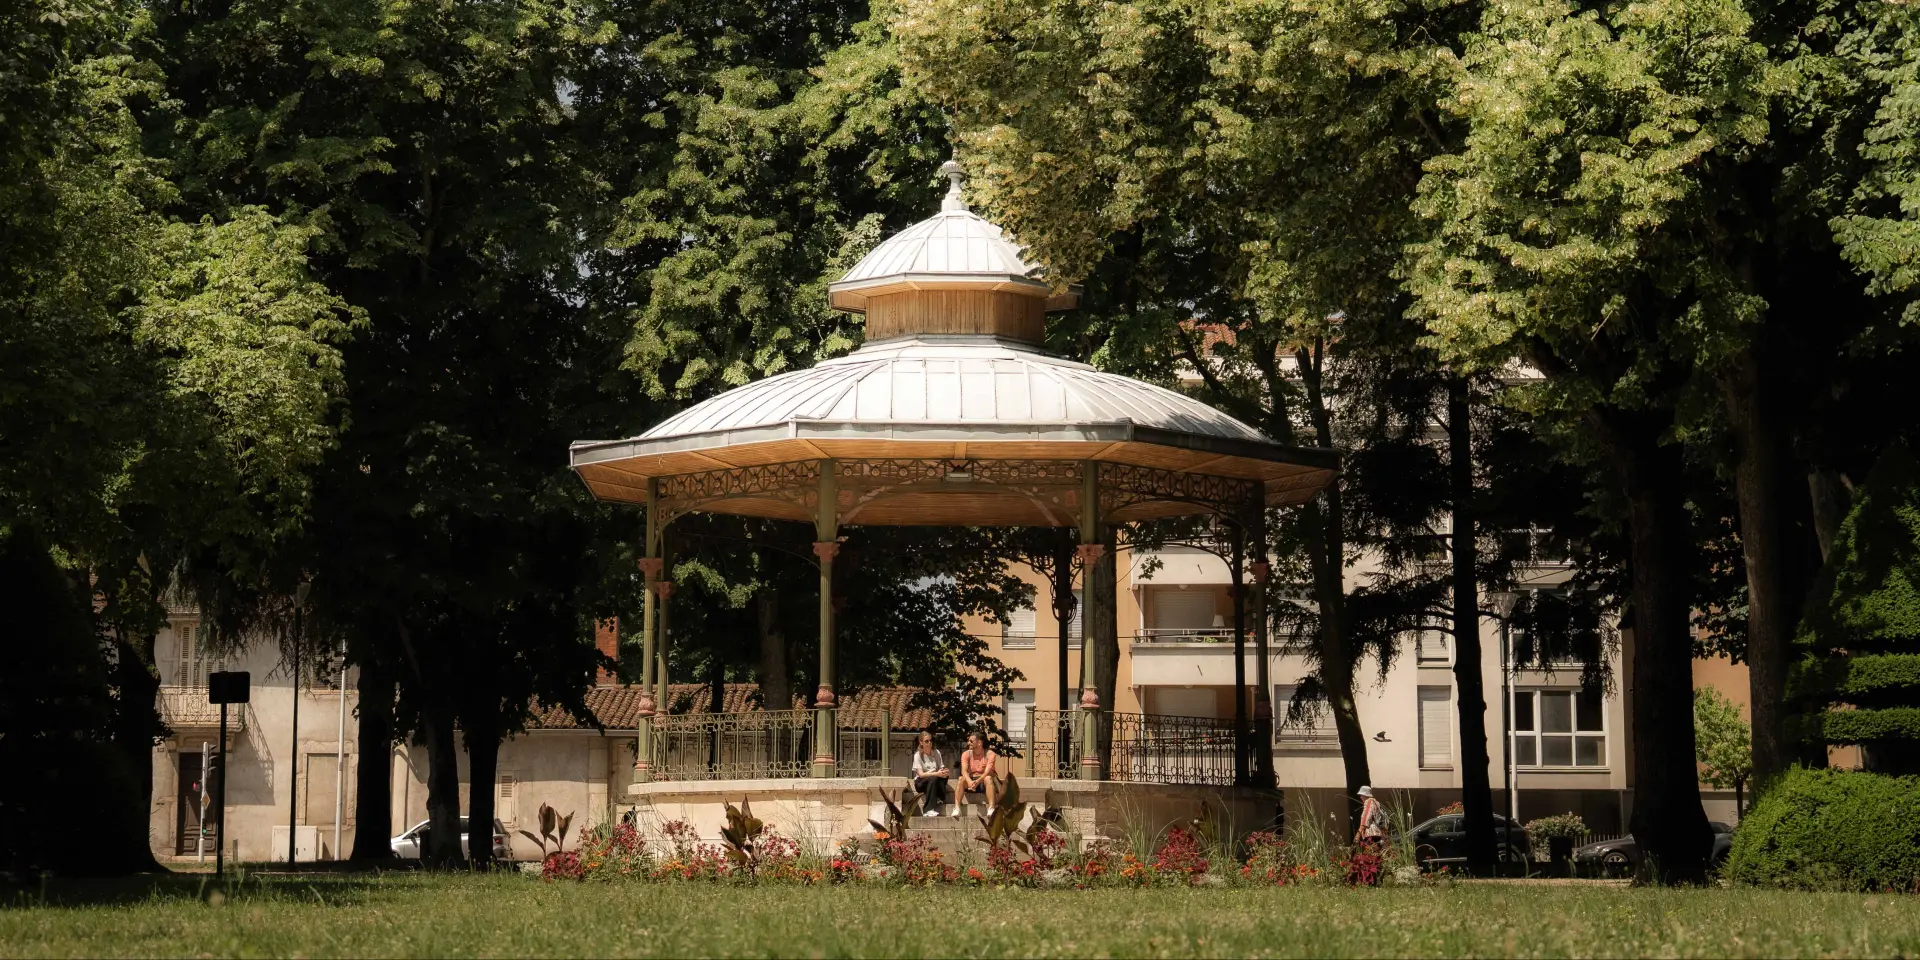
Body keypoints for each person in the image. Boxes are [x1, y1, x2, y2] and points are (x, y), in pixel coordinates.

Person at [909, 732, 952, 816]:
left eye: (931, 740)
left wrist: (944, 771)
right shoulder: (917, 755)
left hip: (934, 780)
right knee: (933, 778)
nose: (929, 743)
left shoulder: (936, 752)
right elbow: (921, 774)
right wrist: (936, 773)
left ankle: (938, 797)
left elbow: (941, 767)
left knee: (943, 777)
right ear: (921, 742)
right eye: (926, 741)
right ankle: (928, 809)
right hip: (921, 783)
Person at [956, 731, 1000, 809]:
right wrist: (969, 782)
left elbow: (987, 772)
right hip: (972, 781)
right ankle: (957, 807)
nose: (968, 743)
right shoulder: (966, 754)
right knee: (960, 779)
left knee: (988, 778)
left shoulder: (990, 754)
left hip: (984, 781)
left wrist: (978, 781)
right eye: (968, 741)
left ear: (979, 743)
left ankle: (991, 807)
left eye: (971, 741)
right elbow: (964, 771)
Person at [1354, 785, 1388, 850]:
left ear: (1365, 795)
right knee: (1377, 856)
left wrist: (1359, 833)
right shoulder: (1376, 803)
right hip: (1379, 834)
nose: (1360, 797)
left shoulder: (1369, 802)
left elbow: (1366, 817)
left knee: (1369, 856)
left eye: (1361, 795)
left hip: (1371, 834)